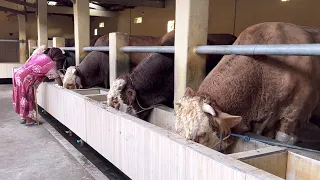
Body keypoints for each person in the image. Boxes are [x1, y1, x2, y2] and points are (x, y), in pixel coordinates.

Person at [12, 48, 65, 126]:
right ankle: (29, 120)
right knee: (28, 98)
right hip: (26, 79)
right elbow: (57, 77)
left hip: (18, 74)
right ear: (57, 56)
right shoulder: (50, 64)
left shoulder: (41, 55)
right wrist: (63, 87)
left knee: (21, 97)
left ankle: (24, 117)